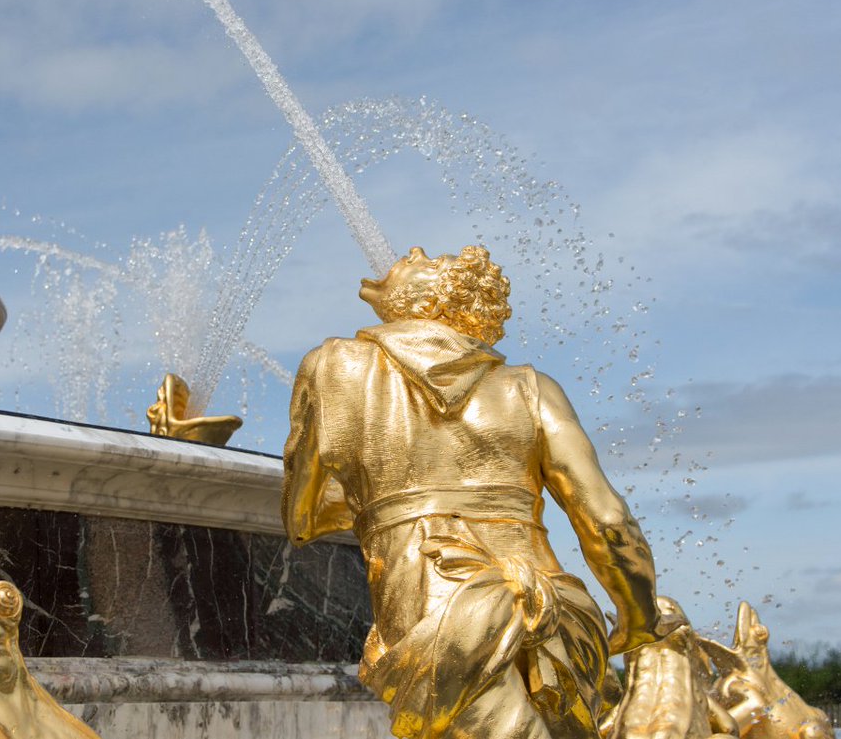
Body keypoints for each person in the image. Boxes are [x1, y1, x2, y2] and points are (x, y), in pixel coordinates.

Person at [283, 246, 669, 739]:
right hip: (556, 610)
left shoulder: (335, 367)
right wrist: (639, 616)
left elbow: (302, 518)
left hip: (432, 602)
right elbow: (608, 519)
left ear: (437, 299)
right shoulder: (532, 388)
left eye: (430, 261)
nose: (415, 251)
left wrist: (383, 492)